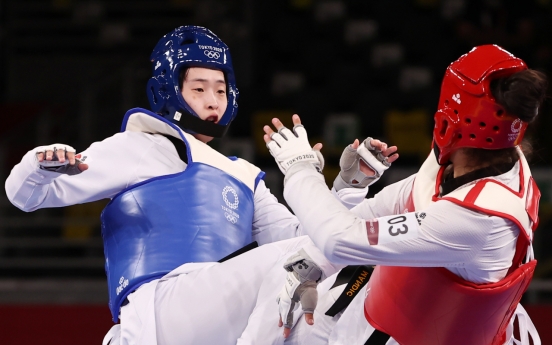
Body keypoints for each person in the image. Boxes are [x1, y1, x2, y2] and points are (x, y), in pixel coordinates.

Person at [3, 25, 352, 345]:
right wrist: (39, 163)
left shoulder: (246, 176)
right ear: (170, 91)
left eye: (221, 89)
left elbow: (314, 242)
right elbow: (25, 196)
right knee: (304, 261)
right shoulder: (143, 146)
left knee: (330, 293)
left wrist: (348, 186)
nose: (213, 100)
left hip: (207, 322)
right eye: (199, 89)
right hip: (161, 308)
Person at [263, 44, 547, 345]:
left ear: (450, 116)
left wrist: (299, 170)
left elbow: (340, 240)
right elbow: (387, 207)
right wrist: (313, 263)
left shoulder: (480, 219)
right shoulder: (484, 159)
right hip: (410, 316)